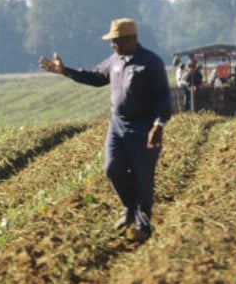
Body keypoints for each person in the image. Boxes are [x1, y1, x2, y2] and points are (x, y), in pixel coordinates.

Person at [39, 18, 172, 243]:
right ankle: (129, 208)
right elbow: (96, 77)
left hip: (143, 127)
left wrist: (158, 125)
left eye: (115, 41)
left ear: (131, 40)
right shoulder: (115, 60)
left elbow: (163, 97)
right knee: (112, 168)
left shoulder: (151, 62)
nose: (112, 45)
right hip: (117, 125)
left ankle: (143, 225)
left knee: (143, 178)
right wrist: (65, 71)